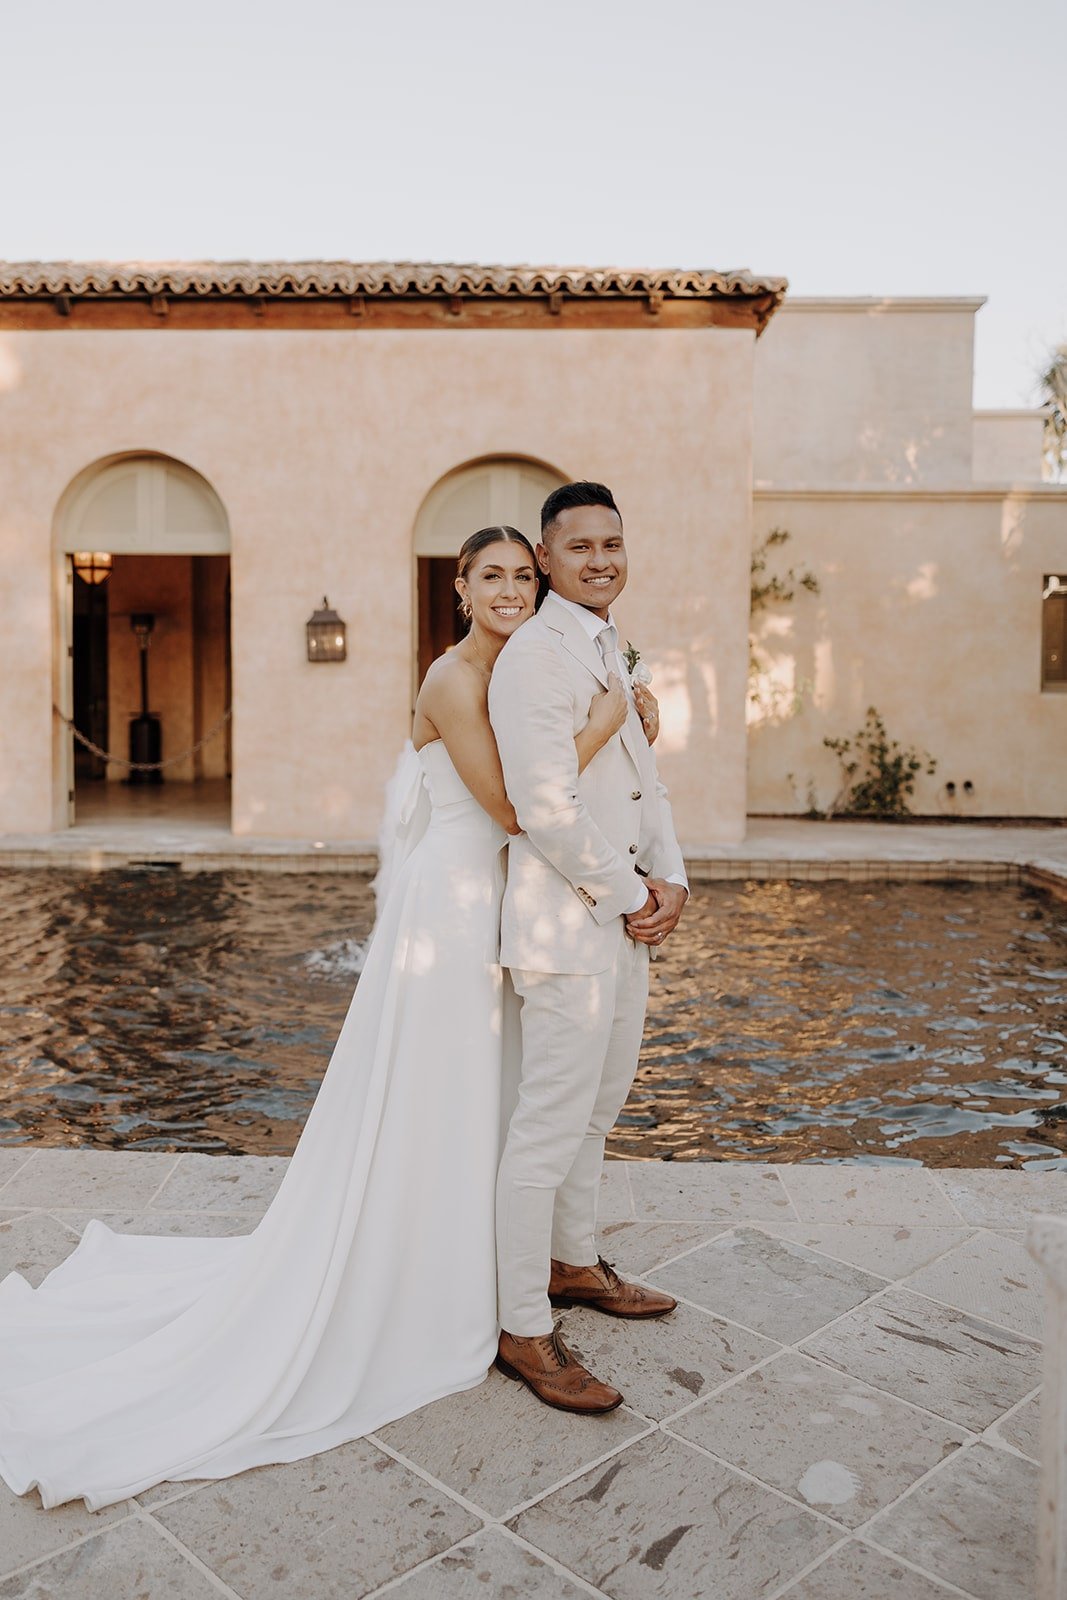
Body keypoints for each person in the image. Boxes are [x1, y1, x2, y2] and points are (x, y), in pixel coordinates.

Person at [0, 525, 635, 1512]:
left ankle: (478, 1266)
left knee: (485, 1096)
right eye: (491, 576)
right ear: (459, 589)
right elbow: (513, 807)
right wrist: (612, 713)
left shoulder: (520, 671)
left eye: (522, 573)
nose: (510, 589)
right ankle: (426, 1283)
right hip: (449, 907)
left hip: (498, 905)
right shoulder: (451, 680)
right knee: (438, 1090)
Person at [490, 481, 688, 1413]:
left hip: (622, 921)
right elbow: (542, 808)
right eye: (580, 548)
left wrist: (674, 878)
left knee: (597, 1113)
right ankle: (522, 1327)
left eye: (613, 542)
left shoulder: (609, 645)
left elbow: (644, 781)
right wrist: (628, 891)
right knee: (546, 1128)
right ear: (545, 557)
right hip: (563, 927)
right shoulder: (534, 656)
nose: (601, 559)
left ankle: (574, 1266)